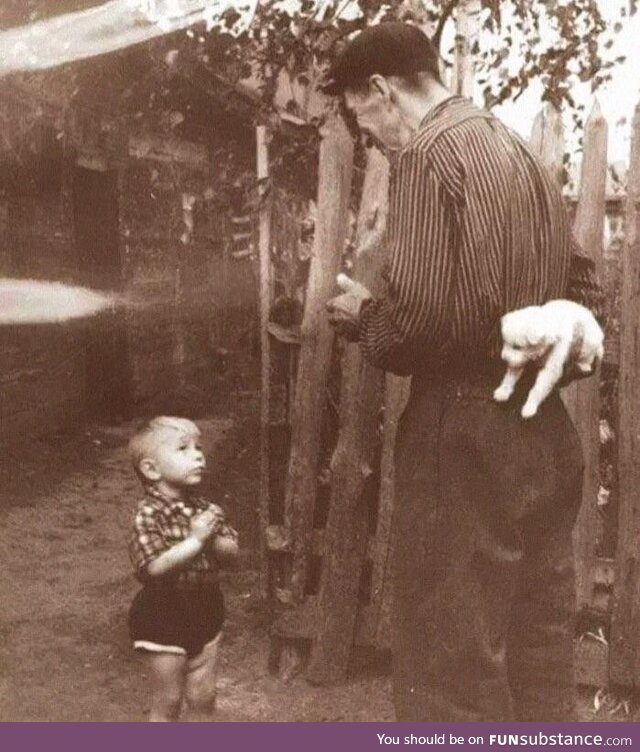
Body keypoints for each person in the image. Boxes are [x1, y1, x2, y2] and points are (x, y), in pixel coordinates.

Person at [323, 22, 604, 722]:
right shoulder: (518, 151)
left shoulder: (427, 152)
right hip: (542, 428)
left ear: (382, 92)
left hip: (462, 429)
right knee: (539, 641)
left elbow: (420, 323)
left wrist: (364, 319)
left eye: (364, 122)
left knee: (449, 658)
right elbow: (585, 291)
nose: (374, 142)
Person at [127, 416, 238, 722]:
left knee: (204, 696)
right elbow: (152, 568)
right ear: (151, 469)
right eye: (183, 448)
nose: (198, 454)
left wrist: (215, 538)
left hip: (206, 608)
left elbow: (231, 555)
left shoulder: (206, 509)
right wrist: (196, 539)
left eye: (198, 447)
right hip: (163, 615)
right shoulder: (148, 513)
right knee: (169, 699)